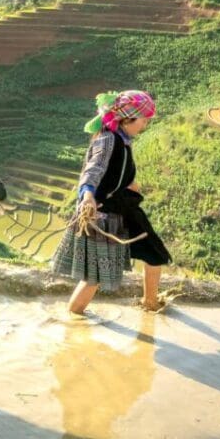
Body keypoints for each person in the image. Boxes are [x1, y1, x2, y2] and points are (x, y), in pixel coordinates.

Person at [50, 89, 172, 316]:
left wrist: (129, 183)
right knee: (93, 278)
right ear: (129, 118)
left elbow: (114, 171)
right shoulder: (108, 140)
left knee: (155, 255)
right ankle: (73, 320)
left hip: (125, 208)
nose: (146, 124)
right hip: (103, 214)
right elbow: (93, 171)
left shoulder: (123, 140)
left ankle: (150, 304)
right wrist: (87, 195)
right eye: (144, 119)